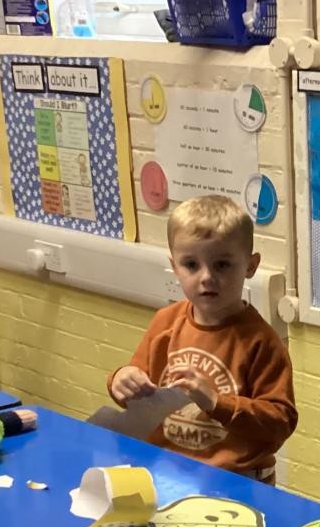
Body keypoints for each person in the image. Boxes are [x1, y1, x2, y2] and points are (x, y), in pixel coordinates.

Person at [108, 195, 296, 484]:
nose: (206, 277)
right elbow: (137, 393)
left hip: (238, 481)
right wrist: (120, 379)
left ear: (250, 266)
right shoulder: (165, 323)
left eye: (222, 265)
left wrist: (216, 402)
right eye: (191, 265)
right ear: (174, 266)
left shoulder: (261, 342)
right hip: (166, 472)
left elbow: (281, 421)